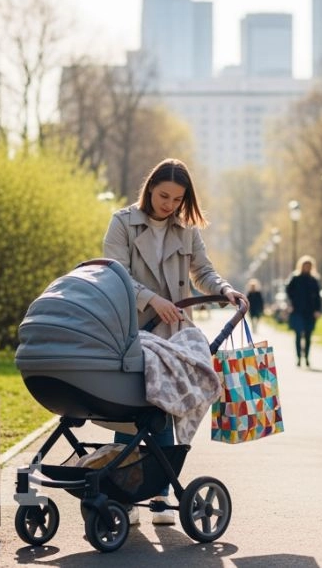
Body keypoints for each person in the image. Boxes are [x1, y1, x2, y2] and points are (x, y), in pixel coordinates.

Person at [102, 158, 245, 526]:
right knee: (132, 408)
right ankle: (125, 494)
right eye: (164, 195)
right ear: (150, 188)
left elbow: (202, 271)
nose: (169, 204)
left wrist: (225, 290)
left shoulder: (187, 231)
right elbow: (113, 273)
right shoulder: (123, 223)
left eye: (177, 199)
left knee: (168, 407)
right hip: (134, 330)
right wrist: (151, 299)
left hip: (176, 333)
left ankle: (162, 494)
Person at [285, 256, 322, 368]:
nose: (307, 268)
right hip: (297, 311)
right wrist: (291, 303)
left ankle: (306, 357)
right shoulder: (295, 278)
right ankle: (298, 358)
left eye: (309, 266)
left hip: (310, 312)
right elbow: (288, 291)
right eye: (305, 265)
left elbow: (318, 297)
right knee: (297, 334)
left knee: (308, 336)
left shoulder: (314, 280)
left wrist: (318, 310)